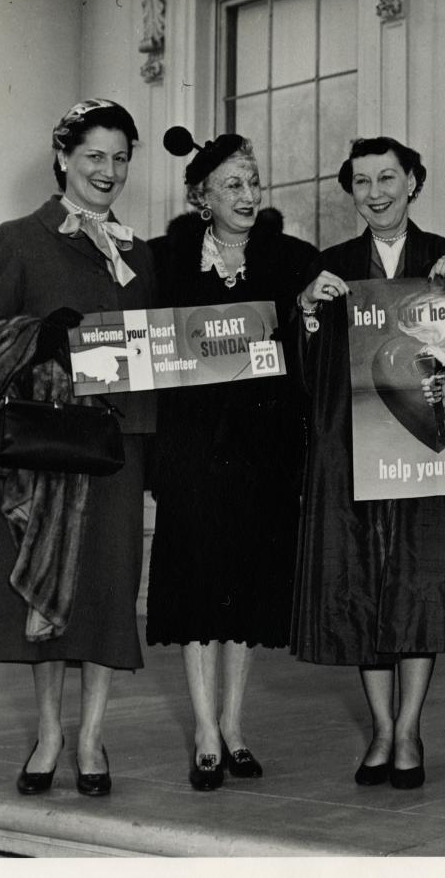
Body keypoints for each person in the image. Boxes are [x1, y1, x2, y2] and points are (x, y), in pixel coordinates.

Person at [0, 99, 155, 797]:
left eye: (120, 157)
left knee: (105, 589)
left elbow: (157, 355)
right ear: (64, 158)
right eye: (95, 156)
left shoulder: (141, 252)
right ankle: (48, 733)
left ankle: (93, 736)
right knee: (44, 590)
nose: (108, 171)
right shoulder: (18, 238)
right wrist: (40, 336)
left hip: (116, 448)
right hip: (42, 449)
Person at [290, 136, 445, 789]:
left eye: (387, 178)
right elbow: (307, 375)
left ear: (413, 182)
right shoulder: (333, 265)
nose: (375, 192)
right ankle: (379, 725)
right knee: (362, 583)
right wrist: (310, 311)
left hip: (426, 446)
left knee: (418, 585)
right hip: (350, 446)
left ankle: (410, 728)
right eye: (362, 181)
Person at [146, 129, 317, 790]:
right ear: (201, 198)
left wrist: (303, 315)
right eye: (233, 185)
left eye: (253, 181)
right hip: (191, 450)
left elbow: (309, 346)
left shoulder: (286, 261)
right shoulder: (168, 261)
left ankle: (236, 724)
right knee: (197, 585)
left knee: (245, 586)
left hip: (262, 452)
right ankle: (204, 731)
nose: (249, 194)